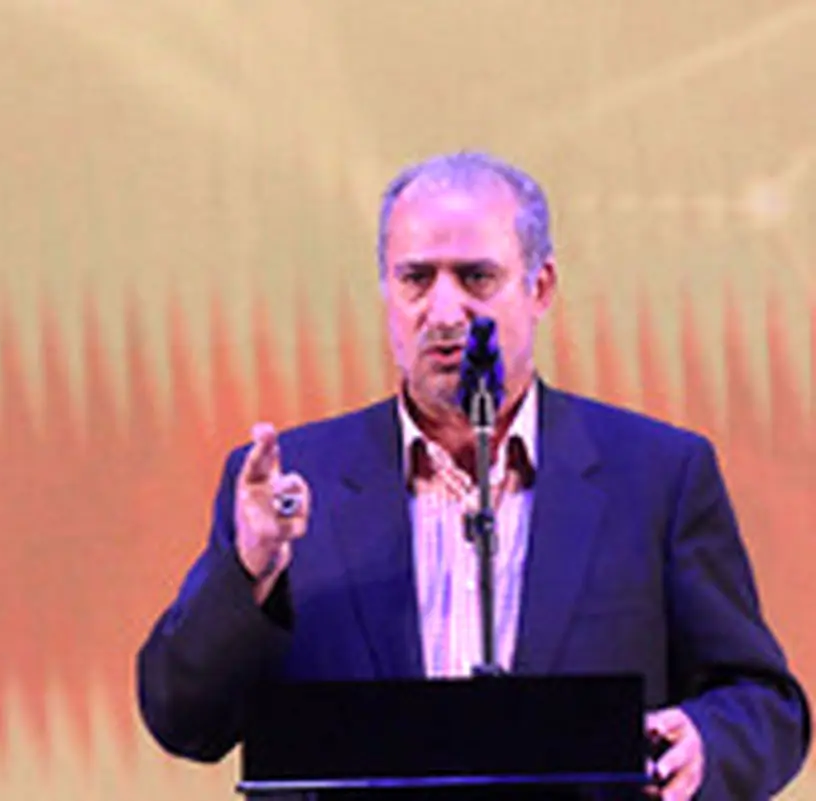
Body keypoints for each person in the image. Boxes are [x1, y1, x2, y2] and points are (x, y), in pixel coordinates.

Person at [135, 151, 810, 800]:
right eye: (416, 279)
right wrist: (250, 570)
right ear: (387, 291)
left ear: (539, 287)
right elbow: (184, 720)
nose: (445, 312)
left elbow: (765, 704)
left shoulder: (658, 476)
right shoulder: (289, 484)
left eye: (477, 277)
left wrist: (707, 742)